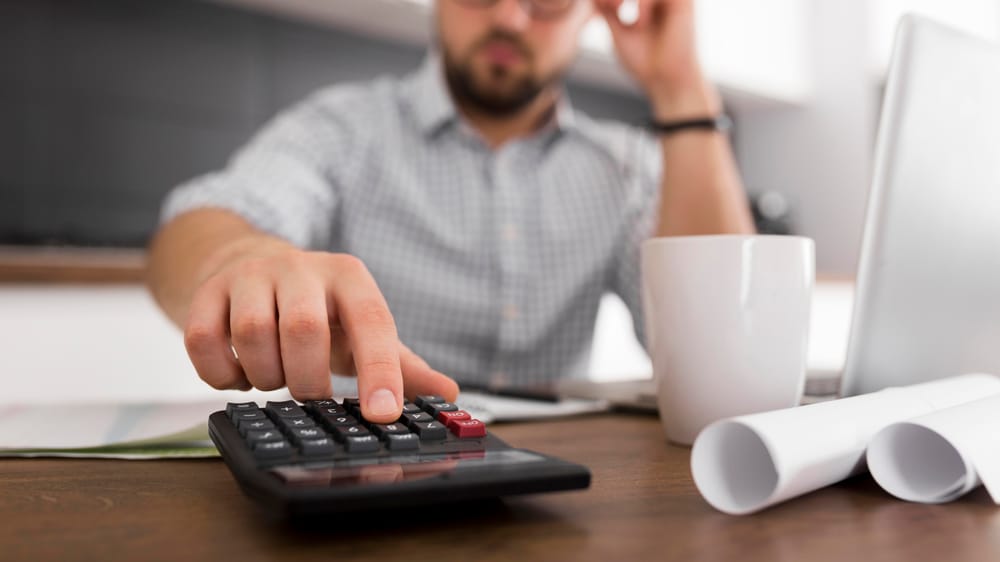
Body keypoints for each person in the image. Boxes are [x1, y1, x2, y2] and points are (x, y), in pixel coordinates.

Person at [147, 0, 754, 425]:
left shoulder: (629, 166)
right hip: (365, 470)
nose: (509, 16)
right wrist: (248, 261)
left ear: (591, 12)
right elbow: (207, 218)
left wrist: (680, 87)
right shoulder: (341, 130)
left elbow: (720, 348)